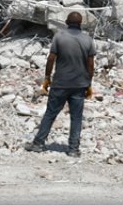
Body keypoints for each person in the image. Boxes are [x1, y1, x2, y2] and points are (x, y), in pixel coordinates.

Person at [25, 11, 96, 157]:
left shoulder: (60, 37)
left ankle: (38, 143)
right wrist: (88, 83)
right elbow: (91, 64)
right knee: (76, 117)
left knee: (51, 113)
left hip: (60, 83)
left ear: (67, 22)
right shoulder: (88, 40)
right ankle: (73, 149)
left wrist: (47, 78)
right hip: (79, 84)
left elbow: (51, 58)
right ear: (80, 23)